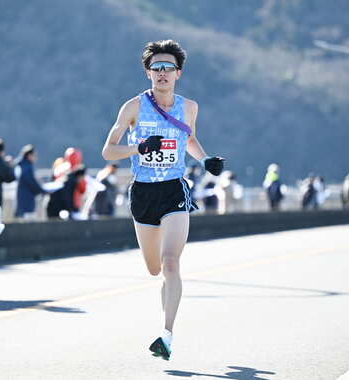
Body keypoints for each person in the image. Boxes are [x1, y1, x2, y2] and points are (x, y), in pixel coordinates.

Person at [101, 40, 224, 361]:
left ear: (178, 73)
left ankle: (166, 335)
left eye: (168, 68)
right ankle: (165, 319)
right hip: (142, 193)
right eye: (156, 68)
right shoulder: (132, 108)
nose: (162, 73)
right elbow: (107, 151)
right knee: (155, 269)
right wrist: (138, 148)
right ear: (148, 73)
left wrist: (205, 159)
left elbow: (190, 139)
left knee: (171, 263)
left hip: (173, 190)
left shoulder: (190, 107)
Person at [14, 144, 46, 219]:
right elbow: (32, 183)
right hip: (27, 202)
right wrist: (42, 190)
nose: (36, 158)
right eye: (34, 156)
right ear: (29, 155)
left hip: (21, 202)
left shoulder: (20, 165)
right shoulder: (27, 167)